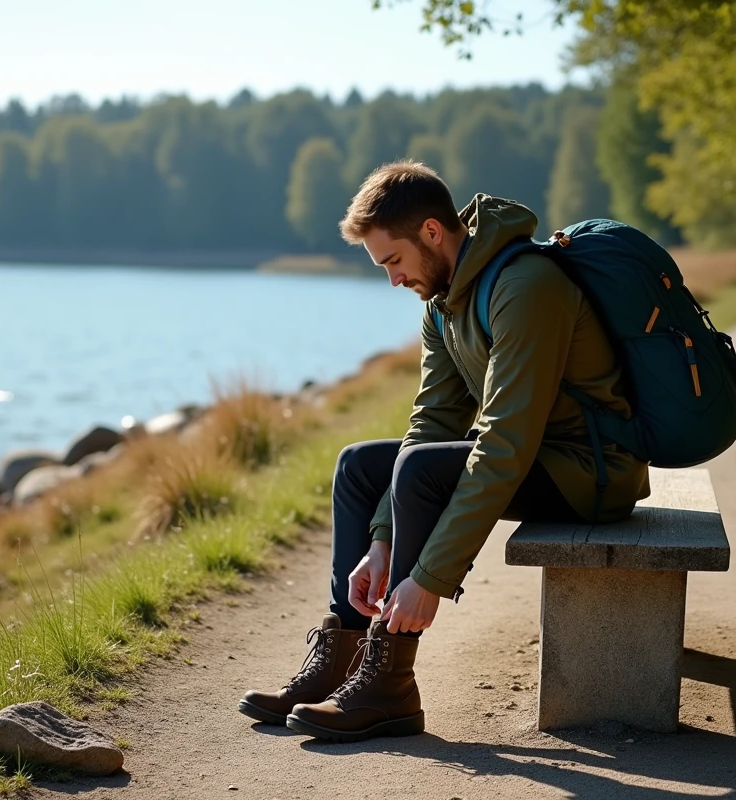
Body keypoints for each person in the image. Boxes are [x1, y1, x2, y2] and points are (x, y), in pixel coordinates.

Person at [238, 161, 651, 743]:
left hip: (592, 473)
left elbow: (505, 443)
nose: (393, 281)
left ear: (433, 232)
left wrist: (429, 578)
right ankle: (346, 655)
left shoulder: (526, 287)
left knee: (425, 470)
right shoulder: (444, 302)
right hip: (538, 458)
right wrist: (382, 541)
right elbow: (433, 420)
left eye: (394, 262)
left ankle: (391, 685)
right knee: (360, 464)